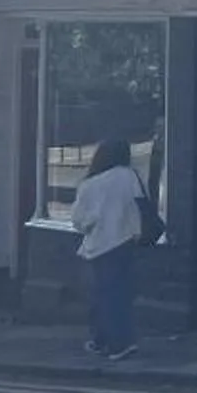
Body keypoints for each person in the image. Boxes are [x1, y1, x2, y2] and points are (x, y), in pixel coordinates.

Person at [70, 139, 151, 359]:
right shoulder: (130, 176)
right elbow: (142, 204)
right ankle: (116, 340)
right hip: (127, 243)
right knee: (120, 295)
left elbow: (78, 221)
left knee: (102, 297)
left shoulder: (89, 184)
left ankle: (113, 343)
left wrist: (94, 220)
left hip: (99, 247)